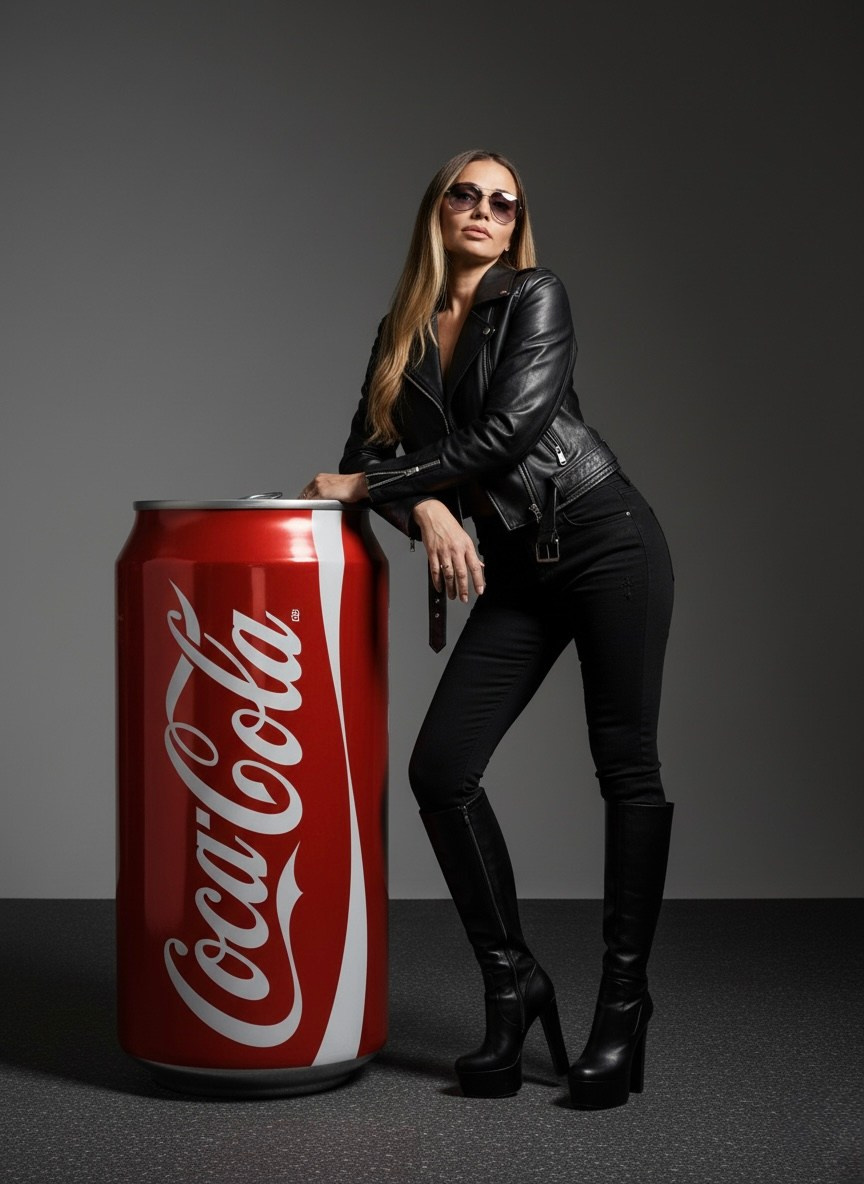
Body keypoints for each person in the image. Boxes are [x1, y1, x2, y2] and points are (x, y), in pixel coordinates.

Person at [300, 149, 675, 1110]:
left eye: (503, 203)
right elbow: (362, 451)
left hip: (603, 539)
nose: (483, 210)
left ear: (515, 226)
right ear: (438, 209)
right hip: (518, 571)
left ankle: (623, 1006)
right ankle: (513, 983)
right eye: (466, 194)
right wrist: (424, 508)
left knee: (625, 768)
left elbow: (508, 432)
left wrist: (380, 483)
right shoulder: (401, 329)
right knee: (441, 770)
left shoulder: (535, 298)